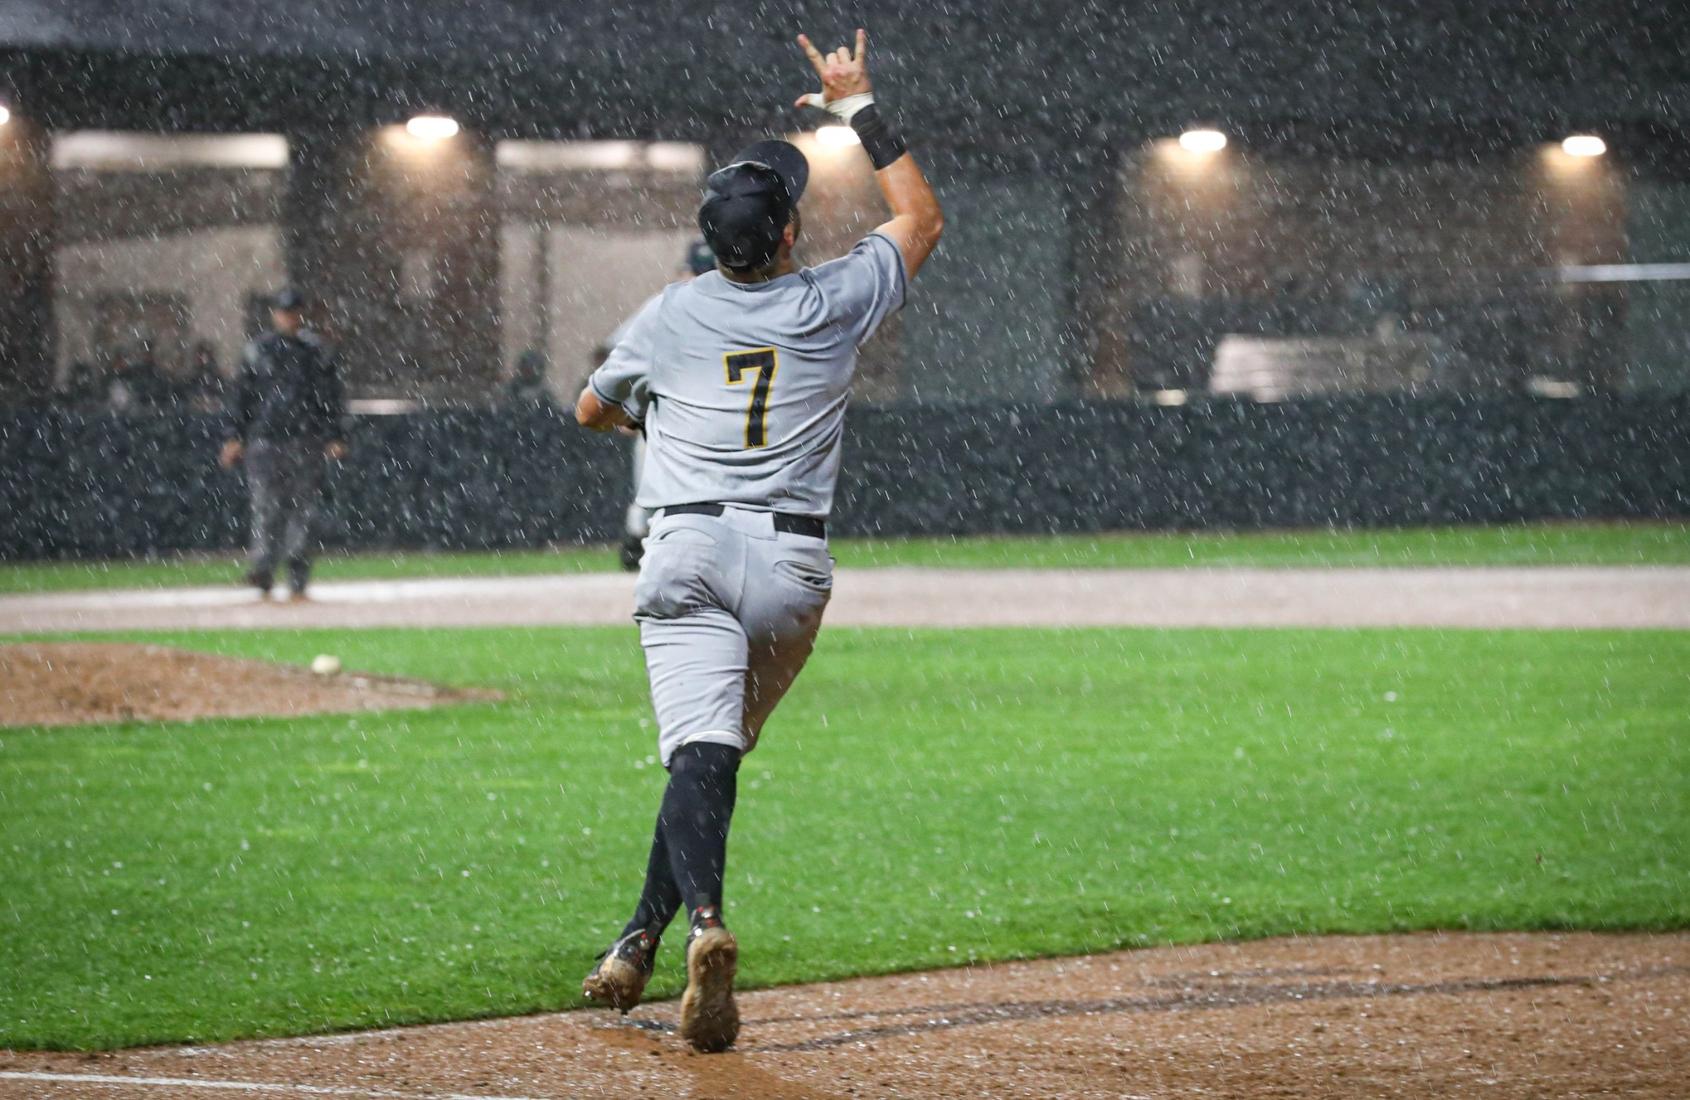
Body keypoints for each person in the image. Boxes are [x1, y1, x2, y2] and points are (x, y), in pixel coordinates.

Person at [573, 28, 943, 1052]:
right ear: (786, 238)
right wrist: (856, 103)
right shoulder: (829, 300)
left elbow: (588, 408)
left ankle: (703, 922)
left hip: (687, 552)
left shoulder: (673, 307)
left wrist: (657, 418)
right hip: (790, 564)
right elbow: (920, 216)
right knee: (715, 752)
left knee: (700, 754)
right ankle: (638, 937)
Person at [597, 237, 719, 572]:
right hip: (661, 415)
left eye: (708, 272)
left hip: (706, 417)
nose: (700, 279)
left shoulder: (728, 309)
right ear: (683, 272)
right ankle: (636, 549)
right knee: (649, 492)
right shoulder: (662, 306)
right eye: (697, 272)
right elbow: (610, 350)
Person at [219, 289, 348, 601]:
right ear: (274, 314)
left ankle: (296, 576)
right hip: (266, 440)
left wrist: (335, 435)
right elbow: (241, 398)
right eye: (283, 311)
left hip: (304, 440)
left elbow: (330, 398)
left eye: (292, 311)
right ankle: (263, 570)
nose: (288, 317)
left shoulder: (315, 352)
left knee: (301, 512)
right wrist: (235, 436)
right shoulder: (258, 352)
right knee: (267, 508)